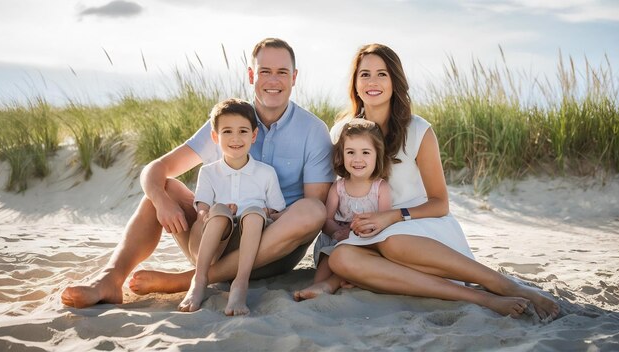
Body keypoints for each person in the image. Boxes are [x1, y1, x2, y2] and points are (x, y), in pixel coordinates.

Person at [61, 38, 335, 309]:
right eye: (265, 71)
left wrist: (262, 214)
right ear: (251, 75)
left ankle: (187, 280)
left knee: (312, 210)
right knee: (162, 188)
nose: (273, 80)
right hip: (213, 238)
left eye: (282, 72)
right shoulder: (229, 119)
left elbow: (314, 206)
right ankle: (110, 279)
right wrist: (161, 199)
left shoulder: (312, 130)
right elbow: (156, 168)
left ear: (294, 77)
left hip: (270, 248)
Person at [327, 43, 560, 320]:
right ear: (355, 83)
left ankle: (502, 284)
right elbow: (339, 191)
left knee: (394, 244)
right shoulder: (342, 132)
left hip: (419, 227)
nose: (373, 82)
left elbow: (440, 204)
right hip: (367, 236)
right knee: (341, 259)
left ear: (395, 81)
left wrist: (392, 216)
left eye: (382, 74)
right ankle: (481, 298)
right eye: (364, 74)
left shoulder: (418, 130)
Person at [178, 98, 285, 315]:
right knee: (219, 211)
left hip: (247, 242)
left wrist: (265, 212)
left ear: (253, 136)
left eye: (243, 131)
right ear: (215, 137)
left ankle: (240, 284)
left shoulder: (266, 173)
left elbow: (277, 210)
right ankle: (199, 280)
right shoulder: (208, 172)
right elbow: (201, 208)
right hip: (215, 241)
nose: (235, 138)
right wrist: (210, 212)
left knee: (255, 213)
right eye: (227, 131)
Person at [294, 119, 391, 301]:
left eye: (365, 152)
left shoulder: (380, 188)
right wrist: (338, 233)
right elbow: (326, 221)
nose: (357, 159)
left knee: (353, 256)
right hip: (336, 238)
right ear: (342, 155)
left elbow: (384, 222)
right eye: (350, 152)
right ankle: (317, 285)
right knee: (329, 254)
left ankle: (331, 284)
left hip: (366, 240)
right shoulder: (338, 187)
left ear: (377, 154)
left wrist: (362, 233)